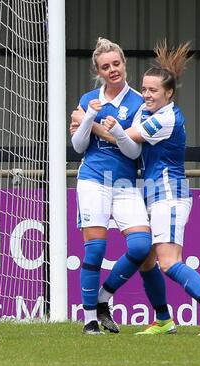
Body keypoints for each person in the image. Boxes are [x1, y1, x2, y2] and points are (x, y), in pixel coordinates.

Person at [100, 40, 200, 336]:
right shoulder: (149, 111)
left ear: (169, 93)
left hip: (169, 194)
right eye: (144, 89)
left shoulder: (166, 117)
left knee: (169, 262)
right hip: (151, 194)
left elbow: (127, 137)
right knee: (147, 260)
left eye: (153, 91)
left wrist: (88, 123)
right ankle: (163, 319)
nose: (146, 95)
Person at [71, 38, 175, 335]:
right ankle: (90, 319)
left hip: (126, 183)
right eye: (106, 67)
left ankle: (103, 297)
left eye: (116, 64)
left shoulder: (139, 103)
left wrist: (108, 129)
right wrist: (89, 115)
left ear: (124, 64)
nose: (113, 69)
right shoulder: (88, 99)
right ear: (98, 71)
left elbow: (134, 152)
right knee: (95, 250)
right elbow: (78, 147)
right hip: (92, 180)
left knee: (142, 247)